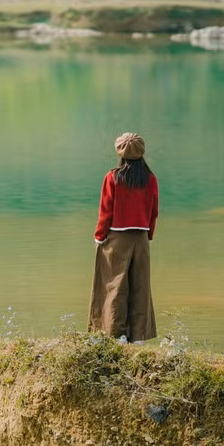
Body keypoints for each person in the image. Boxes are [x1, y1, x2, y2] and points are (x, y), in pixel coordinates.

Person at [88, 132, 158, 342]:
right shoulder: (151, 178)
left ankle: (116, 334)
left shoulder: (112, 177)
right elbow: (154, 211)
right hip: (141, 238)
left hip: (117, 238)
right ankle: (138, 335)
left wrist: (99, 236)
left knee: (114, 285)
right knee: (140, 285)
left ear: (120, 151)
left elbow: (105, 211)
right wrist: (149, 235)